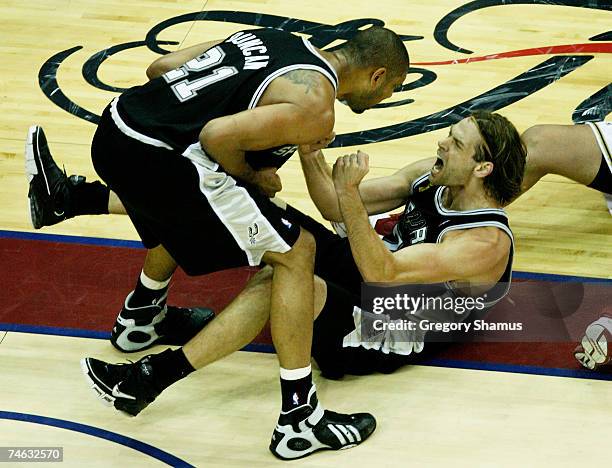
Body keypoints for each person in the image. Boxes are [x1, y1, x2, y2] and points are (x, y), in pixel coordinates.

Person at [30, 25, 410, 461]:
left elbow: (160, 68)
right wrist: (254, 175)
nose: (387, 96)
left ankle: (138, 313)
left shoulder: (270, 35)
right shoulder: (316, 105)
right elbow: (216, 137)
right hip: (158, 159)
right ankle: (299, 421)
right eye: (393, 88)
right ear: (377, 76)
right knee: (296, 252)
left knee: (197, 197)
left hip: (117, 129)